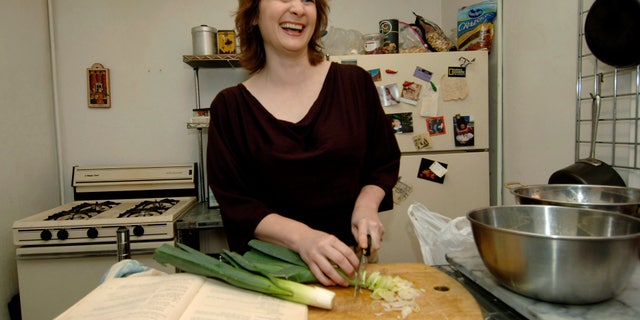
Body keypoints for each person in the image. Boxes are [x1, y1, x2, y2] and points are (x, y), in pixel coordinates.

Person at [206, 0, 401, 287]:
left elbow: (382, 163)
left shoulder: (354, 84)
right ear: (253, 16)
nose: (298, 8)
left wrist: (366, 205)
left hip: (346, 266)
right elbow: (237, 204)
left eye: (308, 0)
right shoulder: (229, 107)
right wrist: (304, 238)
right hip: (269, 276)